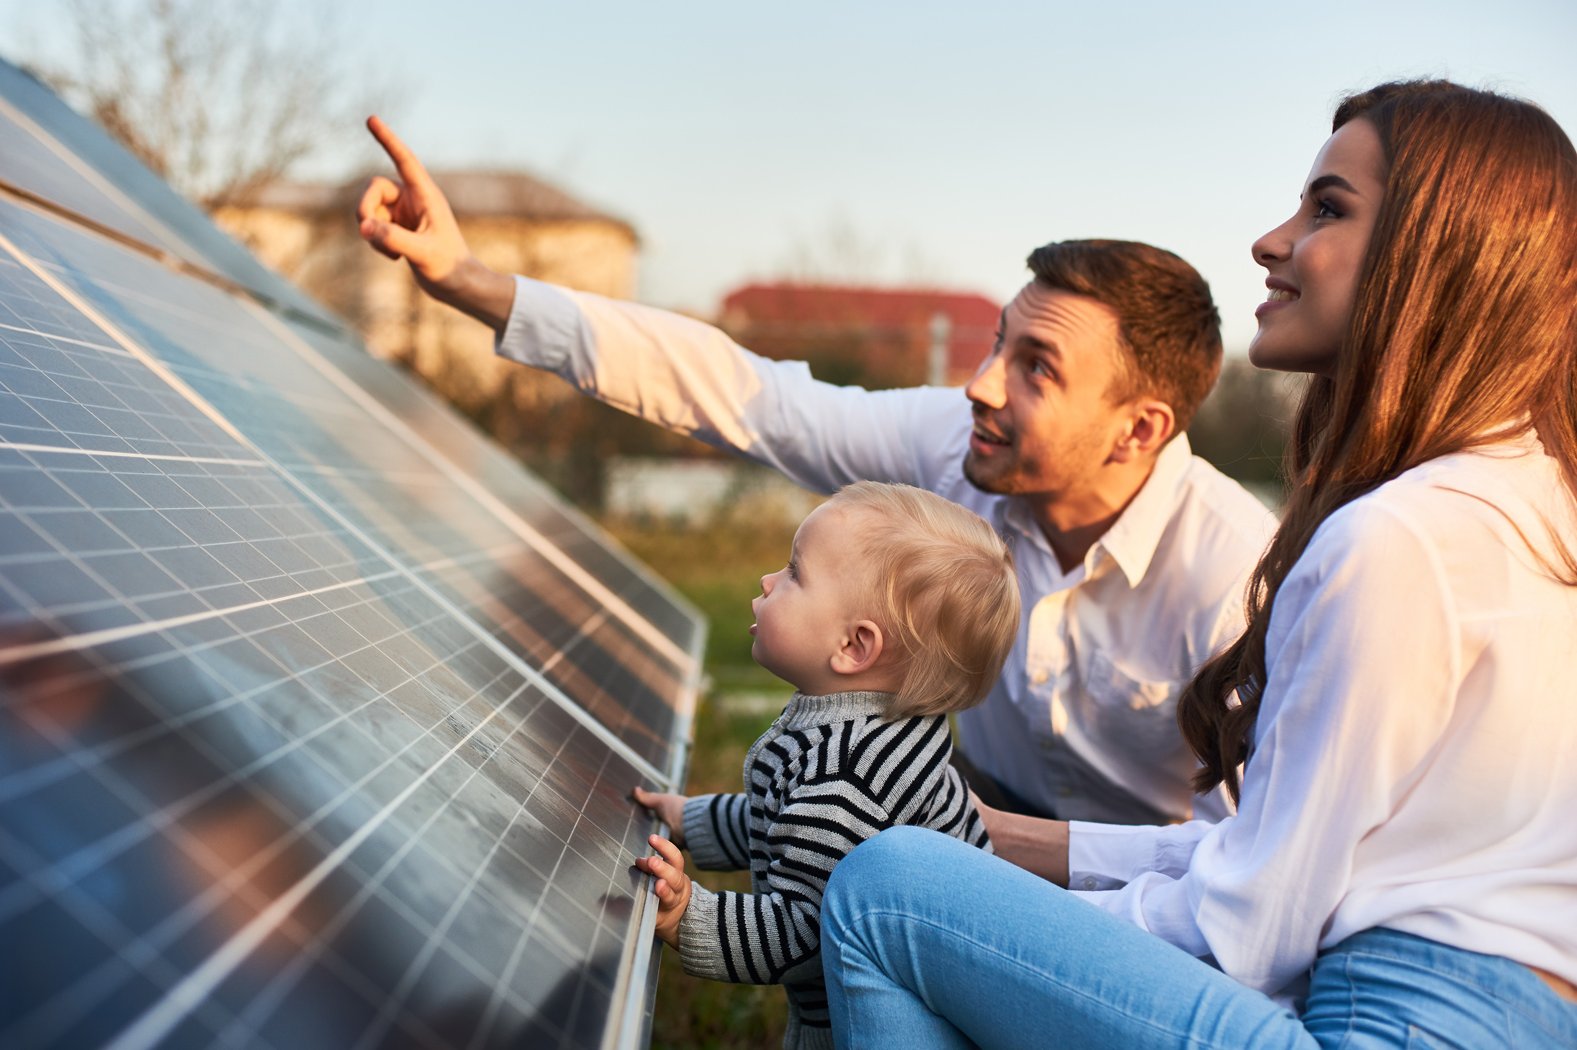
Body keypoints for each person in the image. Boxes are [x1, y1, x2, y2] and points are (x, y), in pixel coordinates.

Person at [815, 79, 1577, 1049]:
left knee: (884, 892)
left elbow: (1248, 928)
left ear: (1437, 258)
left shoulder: (1395, 539)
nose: (1271, 240)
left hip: (1375, 1025)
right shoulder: (1538, 503)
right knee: (930, 875)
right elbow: (1280, 854)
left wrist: (984, 928)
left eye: (1327, 208)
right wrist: (997, 846)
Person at [356, 119, 1279, 826]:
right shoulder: (957, 447)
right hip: (976, 809)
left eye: (1036, 366)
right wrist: (472, 282)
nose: (980, 383)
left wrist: (993, 855)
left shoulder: (1235, 577)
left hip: (1148, 897)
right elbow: (744, 394)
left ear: (1138, 428)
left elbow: (1242, 871)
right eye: (999, 342)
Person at [628, 480, 1018, 1049]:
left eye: (793, 573)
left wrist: (691, 917)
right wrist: (695, 820)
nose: (768, 581)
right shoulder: (871, 724)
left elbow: (804, 931)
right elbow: (789, 821)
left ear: (855, 648)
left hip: (866, 1021)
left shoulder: (846, 780)